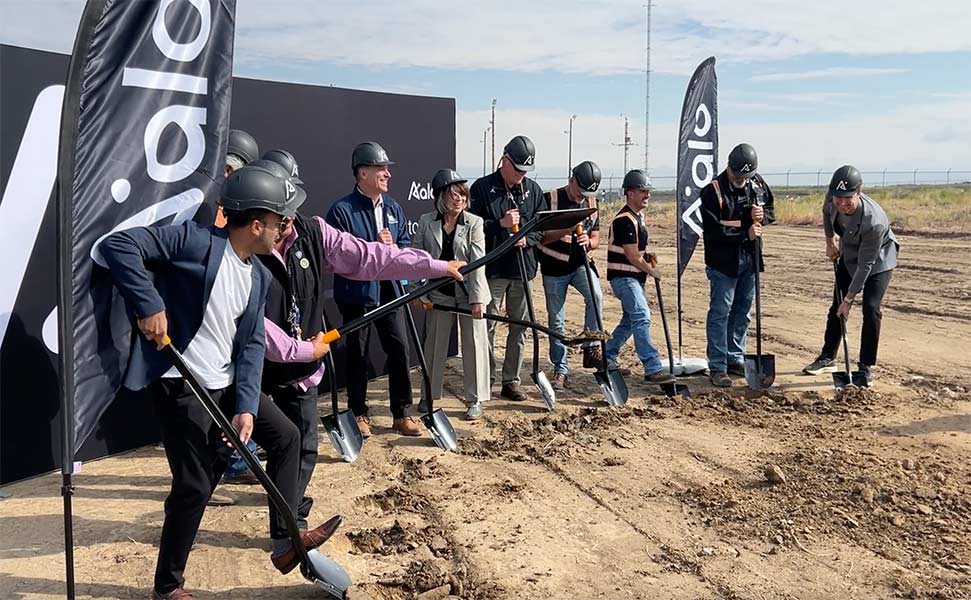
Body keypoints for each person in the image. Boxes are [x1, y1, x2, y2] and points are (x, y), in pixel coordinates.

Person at [100, 164, 341, 600]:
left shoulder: (258, 276)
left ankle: (285, 542)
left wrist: (246, 406)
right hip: (181, 384)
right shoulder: (193, 242)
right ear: (256, 225)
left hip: (226, 384)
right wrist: (149, 303)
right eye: (278, 220)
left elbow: (251, 347)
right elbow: (119, 245)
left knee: (286, 436)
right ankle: (167, 588)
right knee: (195, 486)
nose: (283, 227)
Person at [257, 152, 465, 529]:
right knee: (216, 465)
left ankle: (288, 528)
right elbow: (251, 322)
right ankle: (283, 518)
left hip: (299, 369)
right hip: (256, 368)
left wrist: (436, 266)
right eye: (279, 210)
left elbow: (373, 257)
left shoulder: (313, 232)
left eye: (290, 206)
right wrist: (300, 349)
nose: (287, 219)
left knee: (301, 447)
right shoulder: (243, 247)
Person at [325, 142, 422, 437]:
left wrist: (395, 248)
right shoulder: (342, 211)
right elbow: (338, 255)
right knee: (357, 352)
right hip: (357, 293)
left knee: (400, 348)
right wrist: (375, 248)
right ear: (362, 173)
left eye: (387, 169)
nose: (388, 174)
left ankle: (401, 414)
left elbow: (404, 245)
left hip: (390, 290)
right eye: (381, 169)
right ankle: (358, 413)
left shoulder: (393, 208)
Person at [802, 165, 899, 383]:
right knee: (836, 305)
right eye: (838, 199)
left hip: (878, 259)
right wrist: (829, 242)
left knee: (871, 308)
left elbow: (866, 265)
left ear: (859, 193)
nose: (842, 203)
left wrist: (849, 300)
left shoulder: (874, 221)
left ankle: (865, 367)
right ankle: (827, 357)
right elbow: (826, 214)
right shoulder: (833, 198)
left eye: (848, 198)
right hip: (849, 252)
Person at [469, 135, 546, 402]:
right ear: (504, 160)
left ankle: (511, 380)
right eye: (517, 169)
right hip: (494, 270)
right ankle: (486, 378)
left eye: (526, 171)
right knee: (487, 326)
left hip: (523, 269)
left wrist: (529, 239)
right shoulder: (481, 188)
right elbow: (471, 228)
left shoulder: (533, 190)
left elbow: (541, 227)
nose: (521, 175)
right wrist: (499, 224)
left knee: (520, 326)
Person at [412, 169, 491, 420]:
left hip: (469, 294)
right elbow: (415, 259)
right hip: (439, 293)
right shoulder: (426, 221)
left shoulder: (474, 223)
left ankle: (475, 399)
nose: (459, 199)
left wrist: (477, 299)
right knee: (434, 345)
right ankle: (428, 395)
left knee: (474, 344)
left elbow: (477, 263)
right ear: (440, 197)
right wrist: (418, 292)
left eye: (462, 194)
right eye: (453, 194)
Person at [699, 143, 775, 387]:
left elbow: (771, 211)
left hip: (750, 260)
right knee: (721, 312)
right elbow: (713, 232)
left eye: (747, 175)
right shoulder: (712, 192)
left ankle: (735, 356)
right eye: (739, 175)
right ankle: (718, 365)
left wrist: (763, 216)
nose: (742, 179)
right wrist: (745, 234)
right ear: (729, 167)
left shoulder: (757, 184)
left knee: (742, 311)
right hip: (723, 263)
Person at [536, 160, 605, 390]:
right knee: (556, 320)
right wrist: (568, 226)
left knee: (596, 296)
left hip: (580, 265)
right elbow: (541, 238)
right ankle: (561, 369)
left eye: (586, 193)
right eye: (579, 190)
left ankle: (591, 348)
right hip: (553, 269)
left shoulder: (592, 202)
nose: (581, 196)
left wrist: (590, 242)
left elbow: (596, 237)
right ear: (571, 180)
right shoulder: (550, 199)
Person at [602, 170, 675, 384]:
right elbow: (632, 256)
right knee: (641, 315)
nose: (647, 195)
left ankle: (607, 355)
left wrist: (647, 255)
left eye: (648, 191)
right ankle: (652, 367)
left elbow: (636, 252)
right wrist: (651, 270)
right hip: (624, 278)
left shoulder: (637, 218)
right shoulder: (624, 220)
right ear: (630, 193)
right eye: (643, 191)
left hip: (632, 278)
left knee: (629, 320)